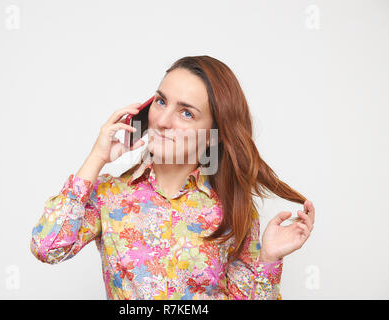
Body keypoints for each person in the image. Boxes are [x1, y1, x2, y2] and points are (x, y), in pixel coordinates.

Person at [30, 55, 315, 300]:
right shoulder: (109, 194)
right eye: (161, 101)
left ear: (212, 137)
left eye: (187, 113)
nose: (163, 120)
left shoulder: (233, 209)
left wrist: (268, 259)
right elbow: (47, 248)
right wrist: (97, 158)